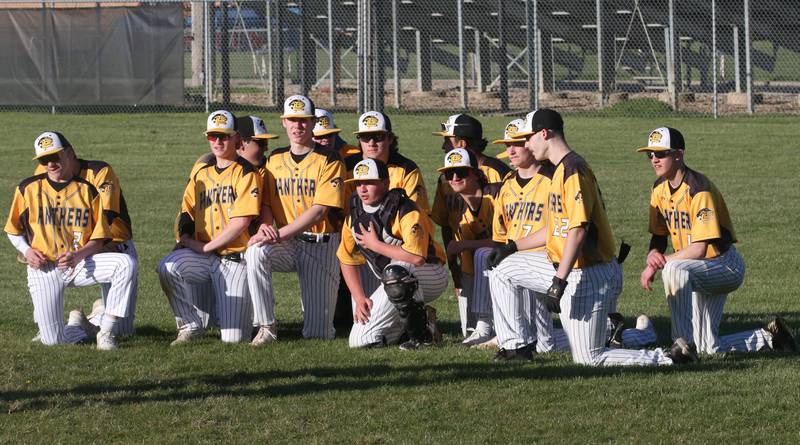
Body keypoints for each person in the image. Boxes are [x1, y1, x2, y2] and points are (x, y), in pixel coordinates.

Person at [487, 108, 695, 365]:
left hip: (588, 273)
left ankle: (669, 357)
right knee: (501, 268)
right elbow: (556, 227)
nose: (527, 144)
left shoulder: (573, 169)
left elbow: (578, 230)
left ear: (544, 133)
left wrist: (558, 282)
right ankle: (516, 348)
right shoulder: (560, 169)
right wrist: (512, 246)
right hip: (569, 267)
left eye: (529, 137)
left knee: (589, 358)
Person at [638, 127, 796, 354]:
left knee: (672, 268)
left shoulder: (698, 189)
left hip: (723, 265)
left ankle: (681, 345)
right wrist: (652, 256)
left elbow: (700, 249)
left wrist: (662, 261)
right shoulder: (658, 188)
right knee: (708, 347)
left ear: (678, 154)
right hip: (694, 267)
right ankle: (770, 337)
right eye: (650, 154)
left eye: (660, 153)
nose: (654, 159)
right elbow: (659, 235)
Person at [5, 131, 137, 349]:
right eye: (44, 159)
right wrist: (27, 251)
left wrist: (78, 254)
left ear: (69, 153)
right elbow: (13, 229)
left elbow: (103, 230)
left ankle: (104, 331)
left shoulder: (90, 185)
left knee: (125, 268)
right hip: (47, 267)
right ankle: (81, 326)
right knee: (52, 341)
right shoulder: (28, 187)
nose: (50, 163)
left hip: (85, 258)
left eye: (55, 157)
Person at [245, 95, 346, 342]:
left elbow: (320, 210)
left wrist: (278, 234)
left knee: (318, 334)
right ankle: (266, 327)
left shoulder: (330, 159)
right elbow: (267, 202)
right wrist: (267, 228)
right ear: (284, 122)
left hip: (321, 243)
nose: (298, 126)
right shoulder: (275, 159)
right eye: (293, 120)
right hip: (287, 243)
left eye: (303, 120)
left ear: (313, 123)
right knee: (256, 251)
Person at [158, 110, 262, 345]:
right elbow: (186, 212)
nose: (217, 141)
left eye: (223, 136)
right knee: (167, 267)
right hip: (203, 256)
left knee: (233, 339)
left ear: (236, 138)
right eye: (213, 136)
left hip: (234, 259)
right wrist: (183, 239)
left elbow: (241, 222)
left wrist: (206, 247)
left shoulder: (246, 172)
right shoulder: (201, 174)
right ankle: (189, 325)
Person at [338, 158, 448, 349]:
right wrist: (358, 297)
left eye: (369, 182)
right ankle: (420, 326)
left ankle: (423, 339)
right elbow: (346, 258)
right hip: (394, 282)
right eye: (358, 183)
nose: (362, 188)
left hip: (430, 273)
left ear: (385, 183)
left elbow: (417, 258)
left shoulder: (405, 209)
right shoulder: (354, 215)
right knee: (360, 342)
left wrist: (375, 244)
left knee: (397, 271)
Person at [430, 114, 511, 324]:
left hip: (500, 265)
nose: (443, 147)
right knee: (472, 331)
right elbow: (447, 225)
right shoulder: (447, 178)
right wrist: (455, 271)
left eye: (448, 141)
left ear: (462, 144)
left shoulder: (498, 175)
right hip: (467, 267)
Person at [436, 148, 500, 346]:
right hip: (479, 271)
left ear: (476, 174)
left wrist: (465, 244)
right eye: (449, 173)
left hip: (512, 265)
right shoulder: (460, 207)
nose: (454, 177)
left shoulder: (496, 196)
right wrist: (457, 277)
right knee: (468, 331)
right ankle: (484, 327)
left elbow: (506, 242)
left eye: (461, 172)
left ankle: (485, 326)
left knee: (481, 253)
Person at [345, 111, 429, 213]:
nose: (371, 143)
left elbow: (415, 212)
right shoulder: (347, 167)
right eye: (365, 137)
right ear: (359, 140)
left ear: (390, 139)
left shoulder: (406, 169)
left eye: (378, 137)